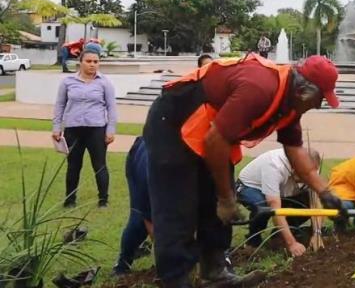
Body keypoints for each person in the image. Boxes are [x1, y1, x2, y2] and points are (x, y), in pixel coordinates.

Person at [143, 53, 343, 288]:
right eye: (320, 99)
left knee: (215, 204)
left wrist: (326, 193)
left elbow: (295, 150)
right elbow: (215, 141)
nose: (319, 105)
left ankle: (215, 273)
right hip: (174, 124)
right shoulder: (259, 88)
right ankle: (176, 280)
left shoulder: (289, 104)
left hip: (212, 134)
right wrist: (226, 197)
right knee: (179, 206)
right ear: (303, 91)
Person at [52, 47, 117, 208]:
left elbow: (112, 108)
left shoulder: (104, 83)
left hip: (96, 130)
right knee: (73, 165)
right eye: (88, 61)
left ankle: (103, 200)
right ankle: (70, 200)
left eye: (96, 62)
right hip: (73, 130)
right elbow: (60, 105)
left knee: (99, 165)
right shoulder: (68, 82)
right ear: (80, 63)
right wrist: (56, 127)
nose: (92, 65)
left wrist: (110, 130)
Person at [236, 148, 322, 256]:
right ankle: (253, 243)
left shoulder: (310, 168)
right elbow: (275, 209)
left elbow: (316, 203)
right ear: (294, 167)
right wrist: (292, 244)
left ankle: (279, 236)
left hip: (282, 190)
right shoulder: (274, 166)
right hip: (250, 187)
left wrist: (317, 233)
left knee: (306, 202)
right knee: (264, 208)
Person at [113, 137, 153, 275]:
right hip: (141, 156)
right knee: (138, 221)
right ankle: (122, 264)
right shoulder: (150, 168)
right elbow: (149, 217)